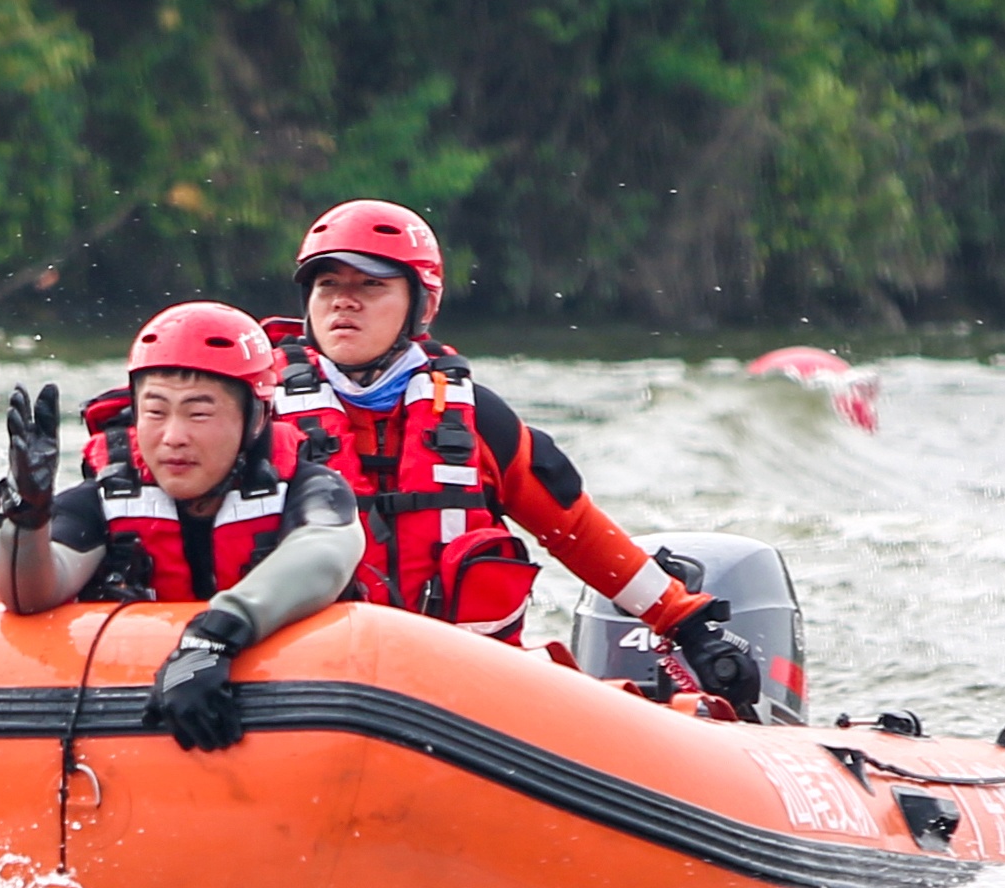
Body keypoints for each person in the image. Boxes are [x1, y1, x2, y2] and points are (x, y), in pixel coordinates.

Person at [267, 197, 770, 711]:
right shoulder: (259, 421)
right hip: (311, 681)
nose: (344, 301)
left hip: (461, 690)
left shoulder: (481, 423)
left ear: (423, 305)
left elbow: (576, 533)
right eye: (328, 284)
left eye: (371, 285)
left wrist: (684, 622)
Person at [0, 302, 363, 751]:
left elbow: (325, 551)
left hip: (298, 714)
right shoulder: (106, 497)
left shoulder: (309, 487)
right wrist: (27, 515)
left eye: (199, 414)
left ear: (257, 417)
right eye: (155, 412)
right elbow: (26, 595)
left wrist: (214, 638)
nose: (172, 437)